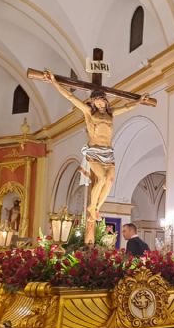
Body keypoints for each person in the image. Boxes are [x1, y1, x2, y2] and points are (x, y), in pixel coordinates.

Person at [44, 70, 151, 240]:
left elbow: (126, 107)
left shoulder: (110, 113)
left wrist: (139, 101)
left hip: (107, 151)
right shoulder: (89, 112)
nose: (100, 102)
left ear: (105, 100)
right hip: (94, 150)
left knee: (110, 179)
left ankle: (96, 208)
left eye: (102, 99)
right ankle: (92, 207)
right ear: (93, 102)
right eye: (96, 100)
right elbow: (71, 98)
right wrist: (55, 82)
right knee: (101, 178)